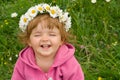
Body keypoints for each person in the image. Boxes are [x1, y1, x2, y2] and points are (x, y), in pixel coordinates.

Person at [11, 3, 84, 80]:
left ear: (61, 40)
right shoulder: (24, 61)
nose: (44, 39)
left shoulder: (68, 61)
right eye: (37, 35)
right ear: (29, 41)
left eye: (52, 34)